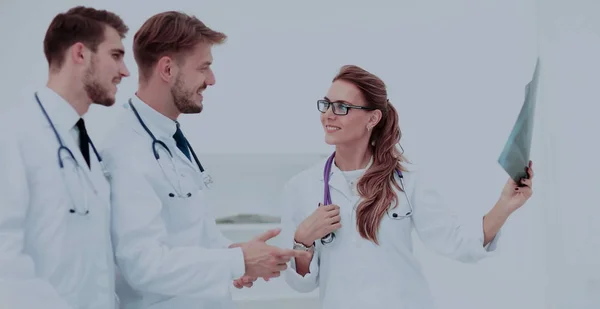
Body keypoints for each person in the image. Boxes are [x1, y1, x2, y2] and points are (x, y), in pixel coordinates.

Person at [100, 11, 309, 309]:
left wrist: (239, 254)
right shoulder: (125, 151)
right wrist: (235, 261)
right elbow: (144, 265)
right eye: (204, 68)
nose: (211, 80)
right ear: (168, 69)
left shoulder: (170, 140)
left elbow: (191, 234)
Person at [280, 64, 535, 309]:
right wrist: (303, 240)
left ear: (373, 118)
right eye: (326, 104)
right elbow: (302, 284)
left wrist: (504, 205)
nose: (329, 114)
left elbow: (457, 242)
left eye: (342, 106)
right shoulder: (302, 187)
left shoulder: (406, 181)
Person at [0, 6, 130, 309]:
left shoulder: (84, 145)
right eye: (116, 55)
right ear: (80, 54)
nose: (125, 71)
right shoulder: (14, 134)